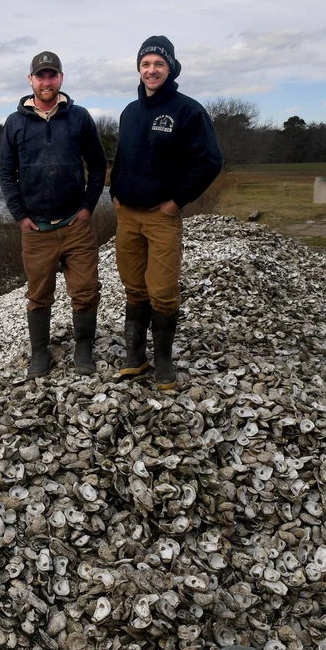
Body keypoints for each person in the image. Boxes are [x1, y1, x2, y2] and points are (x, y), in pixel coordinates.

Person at [109, 35, 222, 390]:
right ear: (139, 69)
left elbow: (209, 161)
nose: (151, 70)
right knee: (133, 287)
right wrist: (114, 191)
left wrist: (178, 201)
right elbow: (122, 157)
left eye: (158, 63)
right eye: (145, 64)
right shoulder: (129, 112)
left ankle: (163, 363)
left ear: (170, 67)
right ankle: (135, 357)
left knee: (162, 290)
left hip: (162, 216)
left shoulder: (187, 110)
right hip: (127, 215)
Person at [0, 51, 107, 378]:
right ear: (31, 80)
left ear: (60, 78)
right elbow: (6, 173)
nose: (47, 81)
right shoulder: (15, 122)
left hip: (76, 224)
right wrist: (20, 216)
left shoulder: (80, 117)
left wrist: (88, 207)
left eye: (52, 75)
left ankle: (84, 347)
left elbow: (99, 164)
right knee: (38, 294)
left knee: (86, 289)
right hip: (36, 230)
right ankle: (39, 353)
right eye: (40, 76)